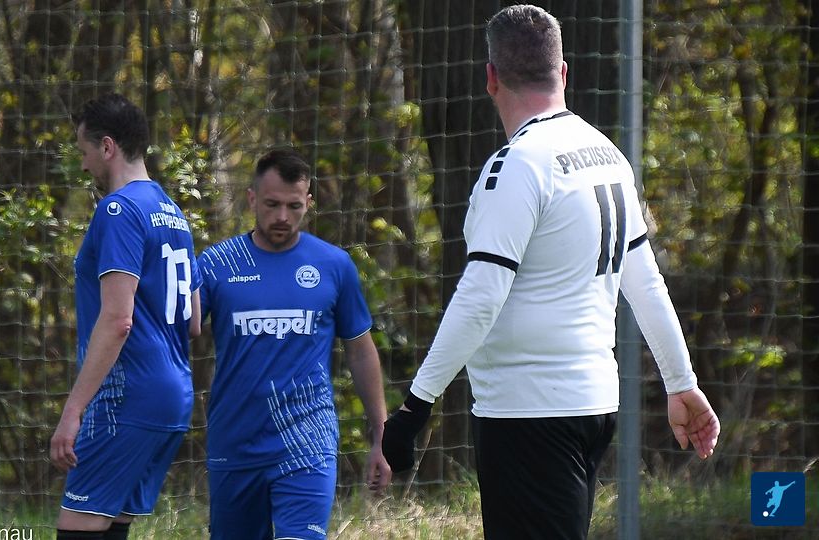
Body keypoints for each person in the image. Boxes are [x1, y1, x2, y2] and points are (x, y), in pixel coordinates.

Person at [380, 5, 720, 539]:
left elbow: (480, 296)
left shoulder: (517, 165)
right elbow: (646, 284)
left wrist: (414, 408)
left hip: (528, 413)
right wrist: (681, 383)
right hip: (592, 406)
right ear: (563, 72)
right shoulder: (607, 154)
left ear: (491, 78)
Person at [197, 148, 391, 539]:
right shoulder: (218, 263)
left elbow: (360, 350)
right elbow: (175, 330)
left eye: (294, 206)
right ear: (252, 199)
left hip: (307, 441)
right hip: (234, 442)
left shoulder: (333, 265)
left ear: (309, 203)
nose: (283, 216)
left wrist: (382, 434)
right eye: (272, 205)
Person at [49, 93, 202, 540]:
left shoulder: (118, 210)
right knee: (111, 526)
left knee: (77, 529)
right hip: (173, 394)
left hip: (126, 397)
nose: (83, 165)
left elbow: (119, 320)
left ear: (108, 147)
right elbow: (194, 321)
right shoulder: (173, 213)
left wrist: (73, 410)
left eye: (84, 152)